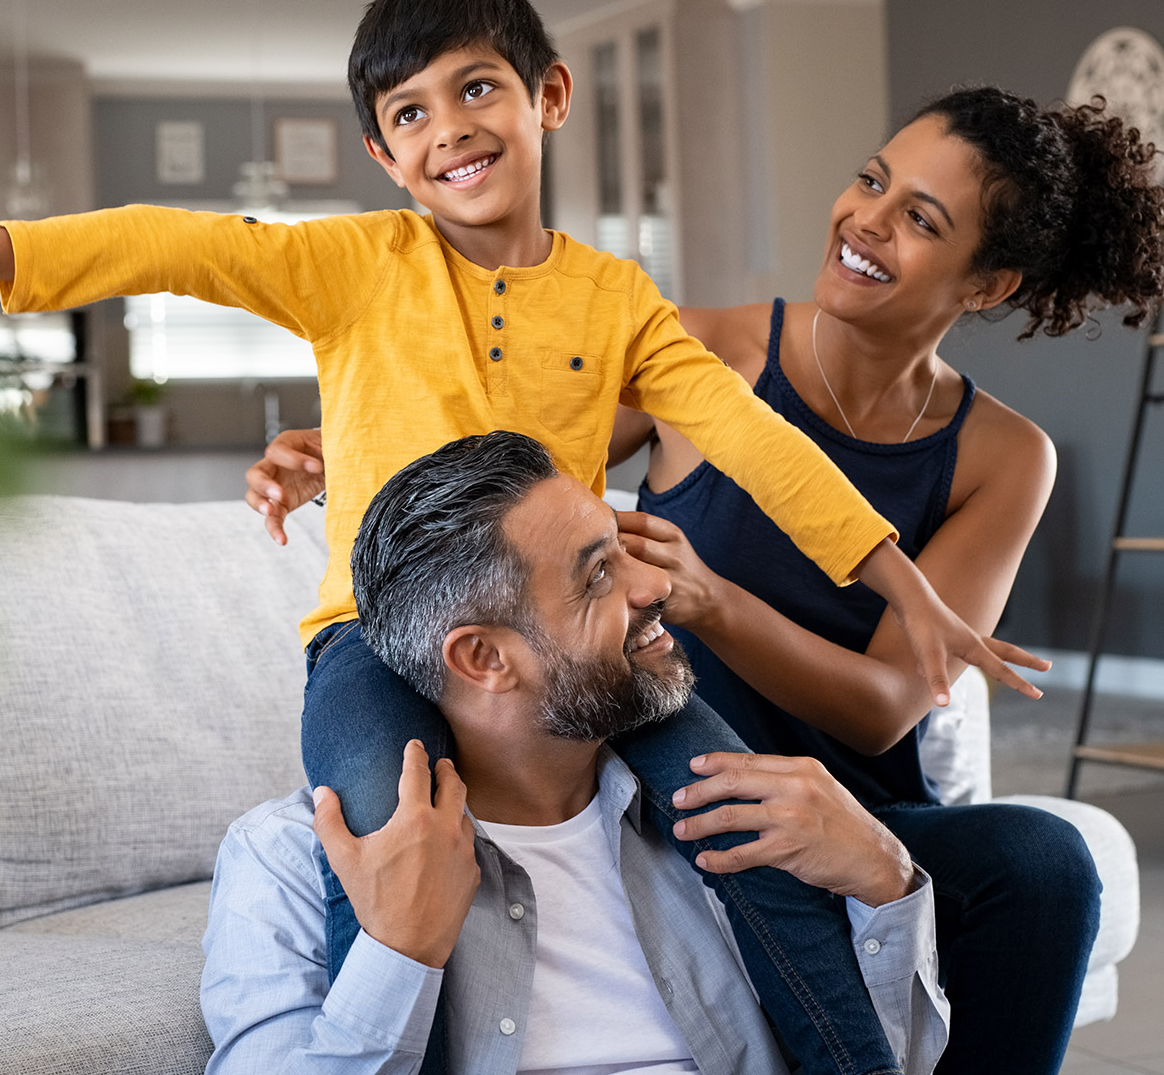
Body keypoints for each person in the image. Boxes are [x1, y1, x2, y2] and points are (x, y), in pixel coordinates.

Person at [0, 0, 1041, 1075]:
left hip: (569, 641)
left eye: (477, 88)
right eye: (410, 113)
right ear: (385, 157)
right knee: (386, 845)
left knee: (746, 825)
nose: (450, 128)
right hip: (372, 641)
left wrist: (906, 585)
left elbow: (762, 440)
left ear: (546, 95)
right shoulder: (356, 264)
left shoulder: (617, 301)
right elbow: (172, 245)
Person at [247, 85, 1164, 1074]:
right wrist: (345, 454)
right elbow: (512, 475)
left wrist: (711, 602)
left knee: (1045, 863)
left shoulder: (1003, 454)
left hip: (847, 805)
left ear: (986, 283)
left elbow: (883, 710)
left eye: (920, 218)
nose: (867, 219)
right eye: (872, 179)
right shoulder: (702, 348)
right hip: (668, 796)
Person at [202, 431, 948, 1073]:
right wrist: (398, 952)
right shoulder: (289, 860)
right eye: (600, 576)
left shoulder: (731, 821)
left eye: (627, 553)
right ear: (485, 659)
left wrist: (884, 881)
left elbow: (882, 1058)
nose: (658, 585)